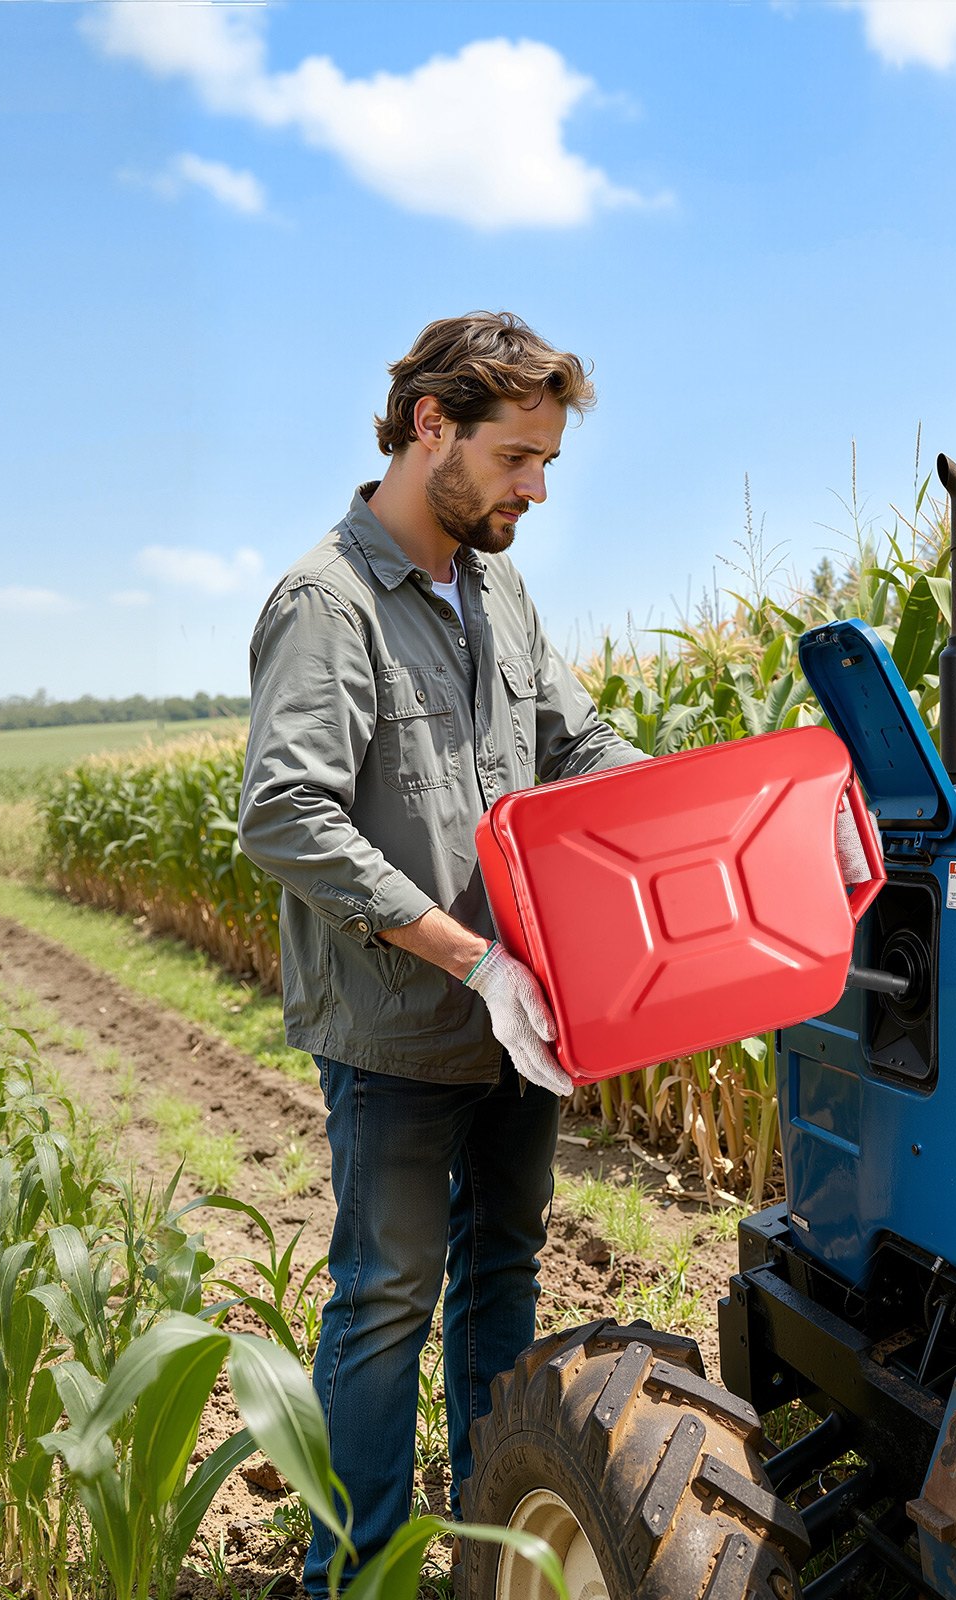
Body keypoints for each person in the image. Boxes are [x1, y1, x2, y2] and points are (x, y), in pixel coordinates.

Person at [237, 312, 646, 1594]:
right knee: (383, 1302)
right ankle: (350, 1573)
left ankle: (487, 1551)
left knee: (505, 1273)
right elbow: (284, 814)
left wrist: (701, 811)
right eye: (519, 458)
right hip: (404, 1024)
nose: (535, 488)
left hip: (520, 1021)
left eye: (545, 464)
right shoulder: (328, 602)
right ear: (433, 428)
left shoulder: (500, 588)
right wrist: (473, 960)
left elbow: (578, 748)